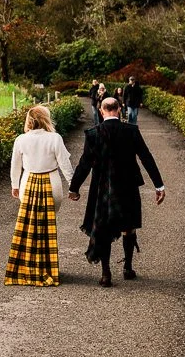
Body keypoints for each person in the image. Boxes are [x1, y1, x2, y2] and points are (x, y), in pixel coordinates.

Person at [68, 97, 165, 287]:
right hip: (127, 186)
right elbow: (146, 157)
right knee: (128, 227)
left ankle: (106, 274)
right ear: (119, 110)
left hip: (102, 188)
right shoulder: (131, 131)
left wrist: (74, 187)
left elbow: (84, 164)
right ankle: (128, 268)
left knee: (103, 228)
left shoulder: (93, 133)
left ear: (102, 110)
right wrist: (159, 185)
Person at [4, 105, 74, 286]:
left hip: (27, 183)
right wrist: (73, 187)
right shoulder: (55, 138)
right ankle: (47, 267)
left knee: (30, 226)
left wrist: (15, 185)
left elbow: (15, 165)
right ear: (46, 119)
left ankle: (29, 266)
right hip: (52, 184)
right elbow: (65, 165)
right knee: (47, 226)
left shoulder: (21, 139)